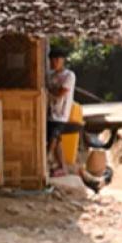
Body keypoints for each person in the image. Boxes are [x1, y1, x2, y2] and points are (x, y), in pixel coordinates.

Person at [46, 48, 76, 177]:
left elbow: (60, 93)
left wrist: (47, 91)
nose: (54, 62)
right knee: (57, 140)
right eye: (52, 60)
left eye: (57, 60)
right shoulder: (50, 76)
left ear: (63, 60)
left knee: (53, 138)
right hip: (50, 113)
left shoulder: (69, 75)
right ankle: (62, 167)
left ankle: (47, 159)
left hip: (61, 114)